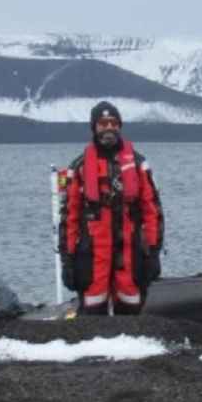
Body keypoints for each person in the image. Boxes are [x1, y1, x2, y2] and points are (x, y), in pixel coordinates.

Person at [59, 101, 164, 315]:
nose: (109, 128)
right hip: (92, 253)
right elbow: (69, 216)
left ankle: (133, 345)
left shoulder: (137, 164)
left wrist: (153, 253)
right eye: (103, 123)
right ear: (94, 127)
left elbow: (152, 210)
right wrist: (67, 261)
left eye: (113, 123)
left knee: (131, 305)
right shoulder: (79, 167)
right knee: (92, 308)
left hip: (130, 250)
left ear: (120, 126)